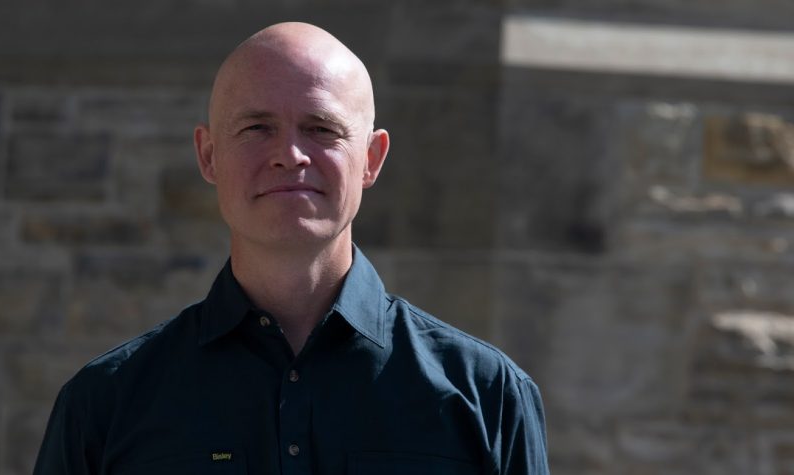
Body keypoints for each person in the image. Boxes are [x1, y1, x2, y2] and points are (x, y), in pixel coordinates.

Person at [33, 22, 549, 475]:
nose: (290, 155)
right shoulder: (106, 403)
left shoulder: (486, 396)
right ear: (209, 155)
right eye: (257, 127)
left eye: (321, 128)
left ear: (371, 159)